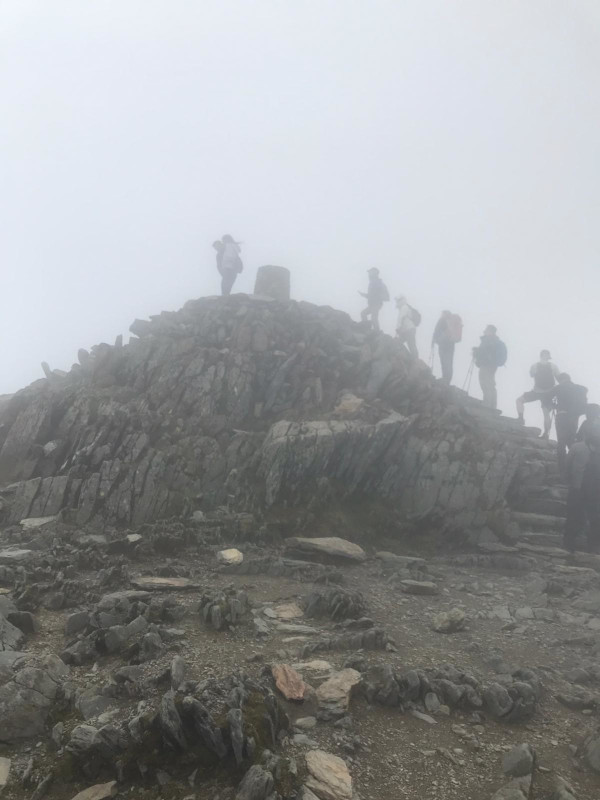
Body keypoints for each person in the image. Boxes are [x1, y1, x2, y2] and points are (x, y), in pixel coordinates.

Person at [544, 374, 588, 475]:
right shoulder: (579, 389)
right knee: (571, 440)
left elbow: (546, 398)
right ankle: (575, 466)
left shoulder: (559, 387)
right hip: (574, 418)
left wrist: (555, 406)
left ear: (561, 379)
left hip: (562, 416)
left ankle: (562, 469)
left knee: (561, 442)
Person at [563, 430, 600, 554]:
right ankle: (570, 544)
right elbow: (567, 466)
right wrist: (570, 481)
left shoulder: (577, 447)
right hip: (579, 489)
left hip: (592, 491)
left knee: (592, 518)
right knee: (574, 516)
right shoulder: (577, 447)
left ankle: (591, 545)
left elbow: (567, 465)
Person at [516, 350, 560, 438]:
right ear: (548, 356)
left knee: (519, 400)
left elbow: (531, 374)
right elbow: (559, 378)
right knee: (546, 413)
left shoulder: (535, 365)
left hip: (536, 391)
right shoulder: (553, 366)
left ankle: (521, 418)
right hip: (549, 392)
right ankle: (546, 433)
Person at [472, 325, 507, 410]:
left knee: (486, 383)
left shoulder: (489, 340)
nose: (484, 331)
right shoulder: (495, 341)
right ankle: (491, 404)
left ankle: (487, 404)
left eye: (486, 330)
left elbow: (484, 351)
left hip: (487, 364)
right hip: (491, 364)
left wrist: (477, 353)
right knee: (489, 383)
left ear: (490, 331)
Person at [432, 310, 463, 385]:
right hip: (450, 345)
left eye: (442, 313)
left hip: (443, 345)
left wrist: (435, 340)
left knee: (444, 362)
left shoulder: (443, 321)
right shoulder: (451, 322)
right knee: (448, 363)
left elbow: (437, 331)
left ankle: (445, 380)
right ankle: (447, 380)